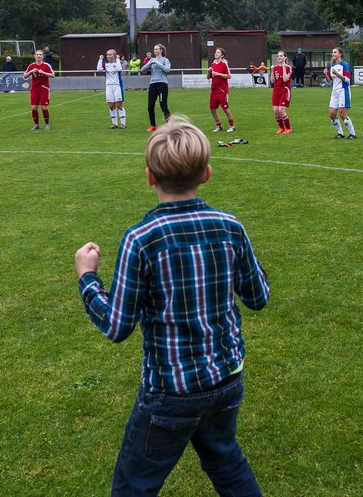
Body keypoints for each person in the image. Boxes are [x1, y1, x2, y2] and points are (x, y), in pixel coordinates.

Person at [74, 116, 270, 496]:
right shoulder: (230, 226)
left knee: (134, 484)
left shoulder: (141, 238)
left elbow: (117, 326)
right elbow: (258, 296)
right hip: (227, 378)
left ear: (149, 177)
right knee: (226, 460)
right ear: (207, 173)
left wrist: (87, 278)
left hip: (170, 391)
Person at [326, 46, 356, 139]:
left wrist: (337, 74)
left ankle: (352, 134)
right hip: (334, 91)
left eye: (335, 52)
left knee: (342, 114)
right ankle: (340, 133)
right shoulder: (332, 66)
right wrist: (326, 74)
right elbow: (330, 81)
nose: (333, 54)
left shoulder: (344, 65)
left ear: (340, 54)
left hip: (343, 90)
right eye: (332, 52)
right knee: (332, 114)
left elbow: (347, 79)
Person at [142, 43, 171, 132]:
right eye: (154, 49)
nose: (155, 50)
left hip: (162, 84)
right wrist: (150, 63)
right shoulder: (152, 60)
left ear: (161, 50)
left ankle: (169, 124)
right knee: (150, 106)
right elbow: (142, 70)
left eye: (157, 49)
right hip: (152, 85)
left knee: (163, 105)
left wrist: (157, 63)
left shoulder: (165, 60)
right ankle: (153, 125)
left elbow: (167, 70)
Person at [24, 49, 55, 130]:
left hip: (44, 89)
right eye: (37, 54)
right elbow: (24, 76)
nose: (38, 56)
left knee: (44, 107)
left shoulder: (46, 65)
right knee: (34, 108)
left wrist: (43, 72)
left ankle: (47, 124)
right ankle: (36, 124)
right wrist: (31, 71)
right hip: (34, 89)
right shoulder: (31, 66)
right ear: (35, 56)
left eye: (40, 54)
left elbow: (53, 75)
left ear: (42, 56)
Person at [207, 47, 235, 132]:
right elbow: (208, 77)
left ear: (222, 55)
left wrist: (218, 74)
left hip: (222, 90)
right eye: (216, 52)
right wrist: (209, 72)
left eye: (218, 52)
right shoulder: (213, 64)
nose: (216, 54)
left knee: (225, 108)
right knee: (212, 109)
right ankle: (219, 126)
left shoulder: (224, 64)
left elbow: (229, 76)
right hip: (214, 90)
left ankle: (232, 126)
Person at [98, 49, 128, 129]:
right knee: (111, 105)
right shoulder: (105, 64)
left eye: (110, 55)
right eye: (107, 55)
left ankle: (123, 124)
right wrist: (100, 60)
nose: (108, 56)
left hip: (117, 85)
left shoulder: (117, 63)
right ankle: (115, 124)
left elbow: (119, 69)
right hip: (108, 86)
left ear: (114, 56)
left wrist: (118, 59)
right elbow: (99, 69)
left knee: (119, 105)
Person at [270, 50, 293, 134]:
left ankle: (288, 128)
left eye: (281, 56)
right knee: (275, 111)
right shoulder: (275, 68)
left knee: (281, 110)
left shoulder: (288, 67)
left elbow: (285, 79)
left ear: (285, 58)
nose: (279, 57)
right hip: (276, 90)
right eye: (278, 56)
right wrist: (272, 71)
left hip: (285, 90)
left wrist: (283, 68)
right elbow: (272, 81)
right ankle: (281, 128)